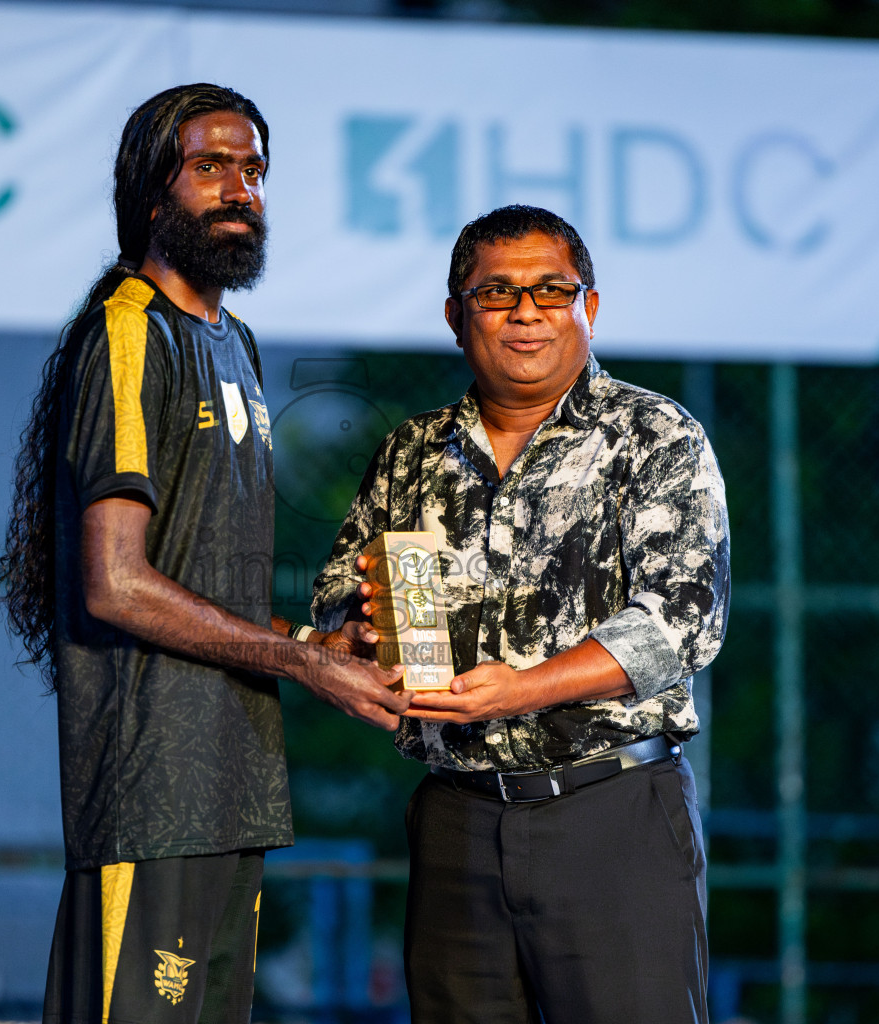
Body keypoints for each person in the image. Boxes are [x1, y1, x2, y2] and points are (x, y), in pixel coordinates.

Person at [0, 83, 408, 1024]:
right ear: (152, 194)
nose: (240, 188)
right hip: (152, 788)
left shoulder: (239, 346)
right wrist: (302, 662)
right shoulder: (128, 332)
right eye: (211, 166)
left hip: (232, 784)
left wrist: (318, 641)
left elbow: (199, 584)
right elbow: (116, 584)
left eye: (255, 169)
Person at [312, 205, 730, 1024]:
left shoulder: (653, 435)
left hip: (612, 809)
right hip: (457, 815)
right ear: (456, 315)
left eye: (551, 290)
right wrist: (356, 635)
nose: (527, 312)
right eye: (497, 293)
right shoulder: (413, 452)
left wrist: (523, 688)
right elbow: (337, 591)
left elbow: (681, 624)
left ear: (590, 307)